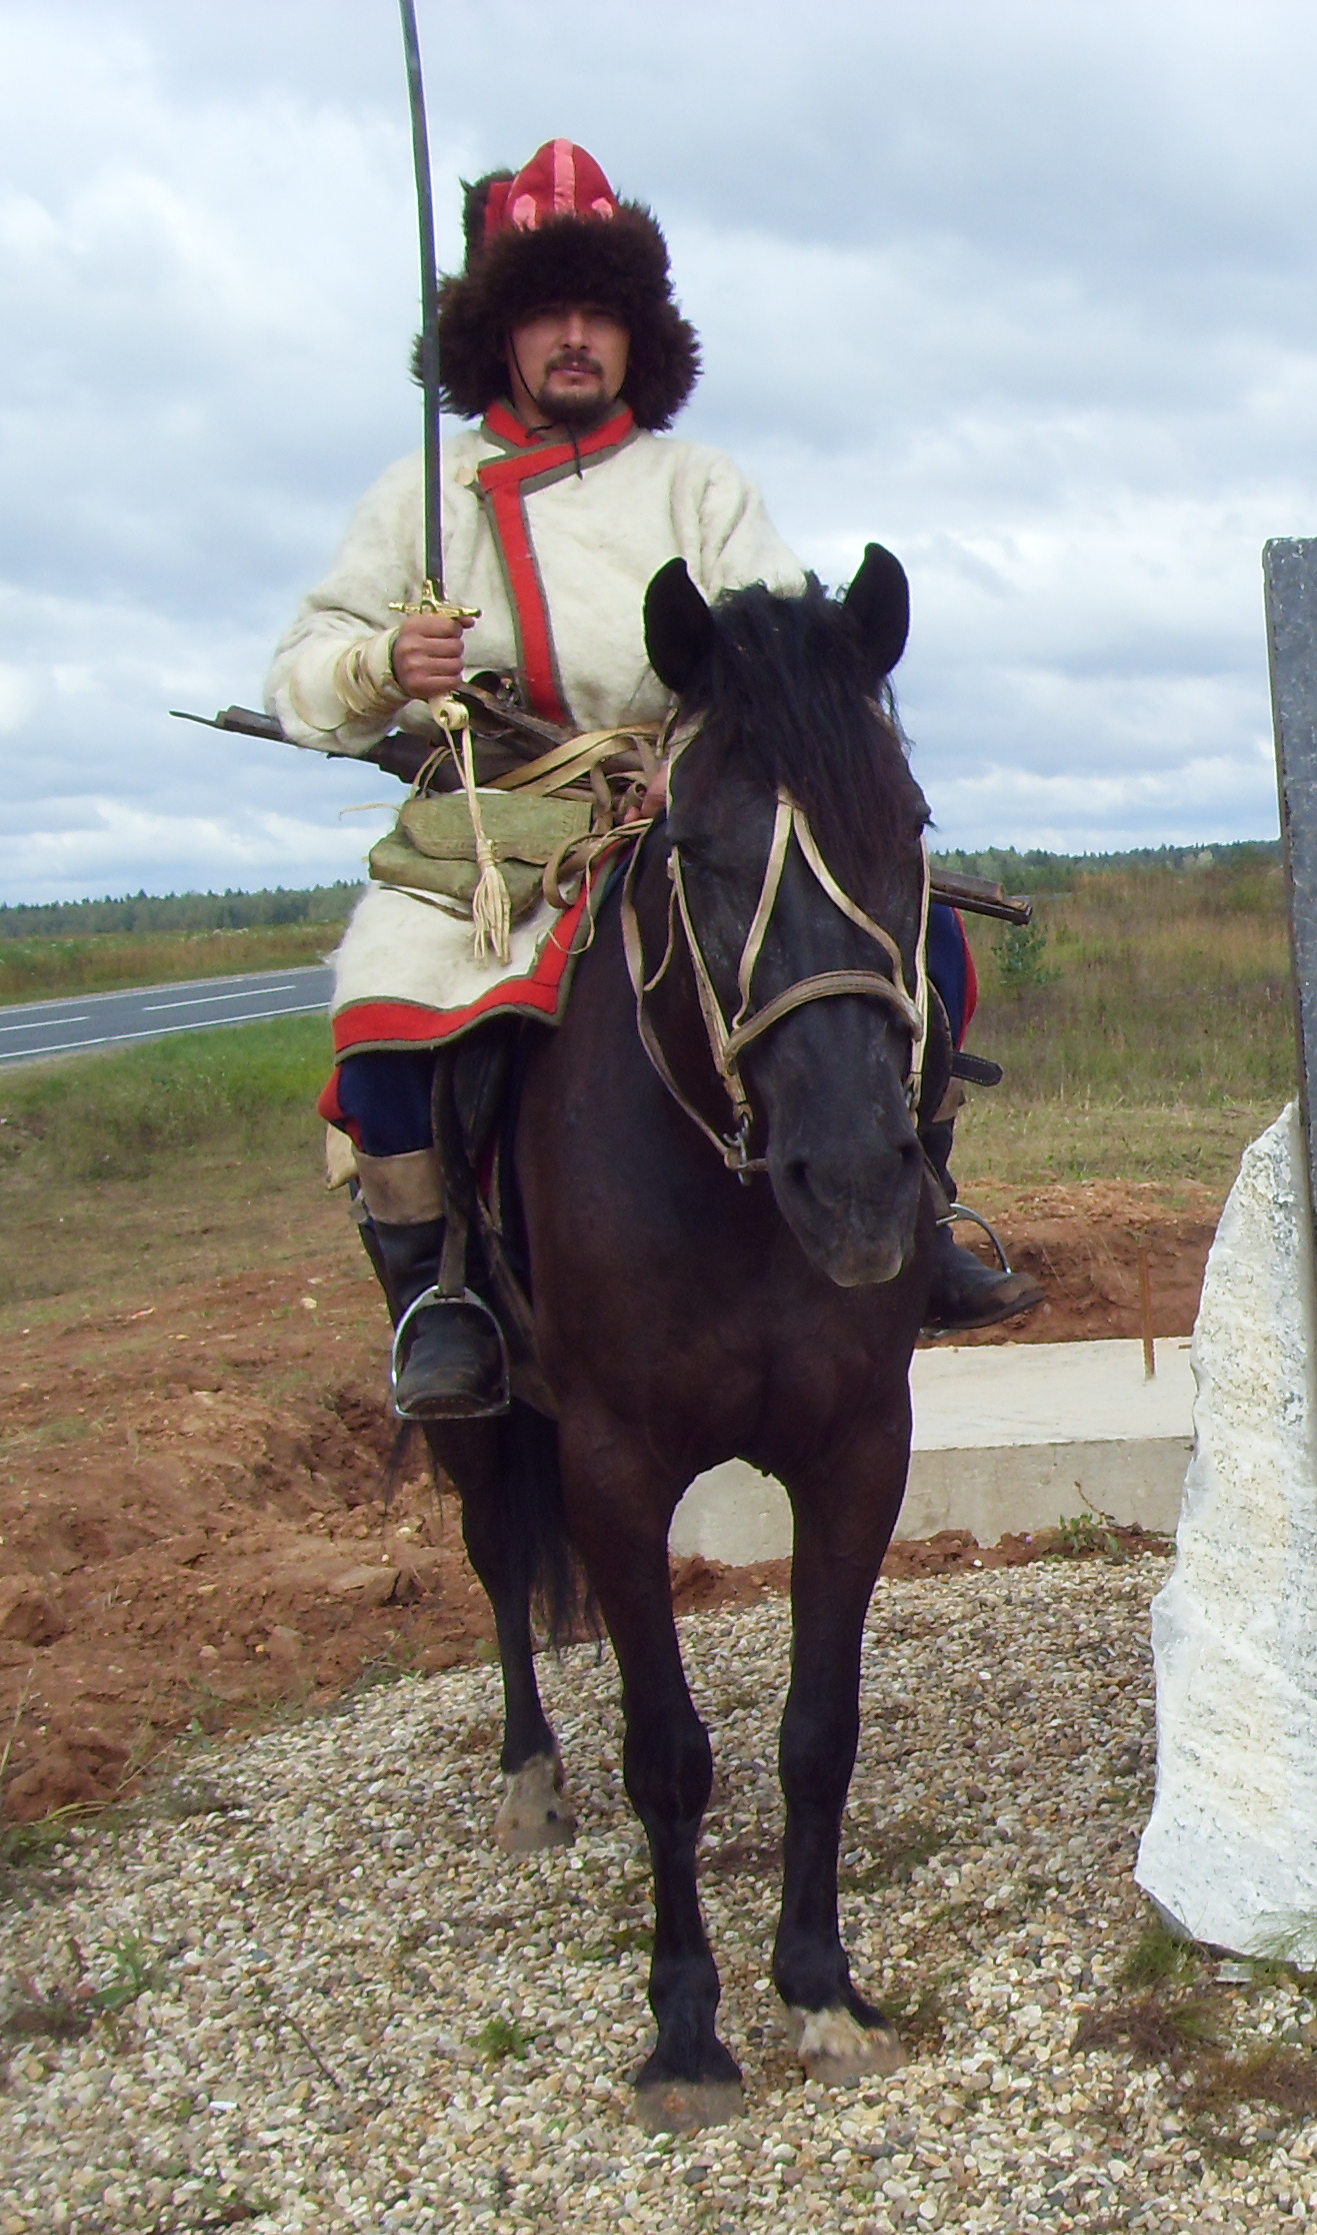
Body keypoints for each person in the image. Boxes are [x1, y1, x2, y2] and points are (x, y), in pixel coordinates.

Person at [269, 139, 1035, 1416]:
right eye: (547, 314)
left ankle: (920, 1208)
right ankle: (438, 1291)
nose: (576, 339)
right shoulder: (425, 494)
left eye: (600, 316)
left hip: (684, 793)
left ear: (637, 336)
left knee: (929, 947)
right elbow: (303, 671)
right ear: (499, 335)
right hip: (495, 821)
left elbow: (782, 647)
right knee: (382, 1005)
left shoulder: (701, 486)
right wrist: (382, 664)